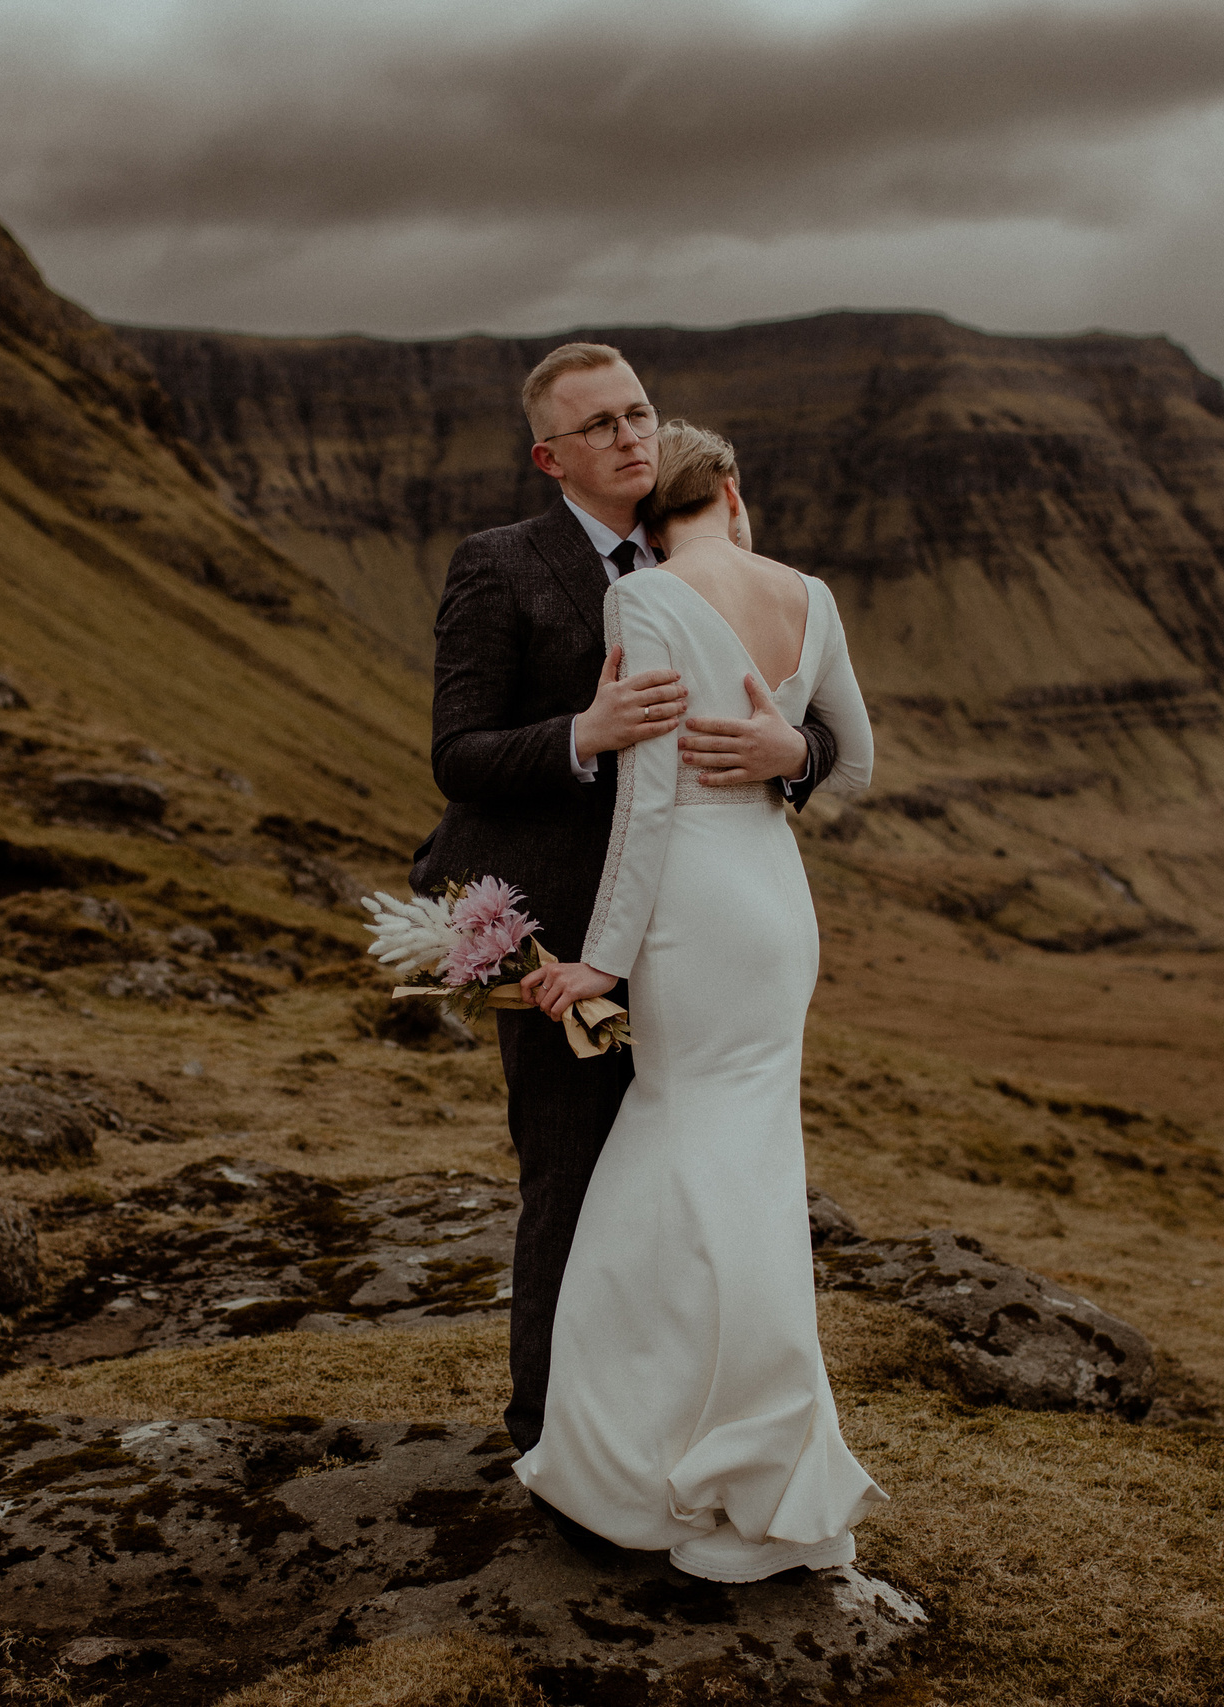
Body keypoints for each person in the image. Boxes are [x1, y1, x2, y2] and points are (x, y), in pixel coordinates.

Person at [410, 345, 848, 1469]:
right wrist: (581, 736)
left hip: (700, 927)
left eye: (639, 413)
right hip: (558, 928)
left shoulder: (719, 567)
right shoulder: (499, 564)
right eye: (598, 425)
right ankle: (551, 1437)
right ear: (550, 456)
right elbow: (455, 753)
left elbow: (832, 738)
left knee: (676, 1183)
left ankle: (670, 1423)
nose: (628, 437)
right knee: (571, 1177)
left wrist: (789, 748)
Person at [514, 420, 884, 1583]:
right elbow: (852, 763)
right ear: (732, 490)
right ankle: (760, 1443)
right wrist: (789, 751)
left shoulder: (648, 600)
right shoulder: (809, 595)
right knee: (750, 1159)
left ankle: (653, 1447)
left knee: (672, 1146)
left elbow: (647, 807)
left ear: (645, 514)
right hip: (774, 906)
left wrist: (603, 964)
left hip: (690, 910)